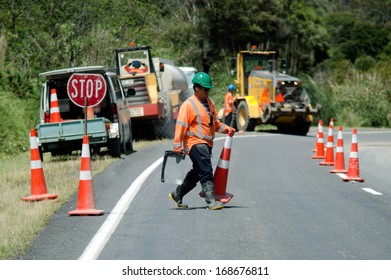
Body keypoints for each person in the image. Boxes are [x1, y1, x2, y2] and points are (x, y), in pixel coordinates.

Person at [169, 72, 235, 210]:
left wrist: (227, 129)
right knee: (206, 169)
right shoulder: (188, 105)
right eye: (205, 89)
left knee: (197, 172)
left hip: (207, 144)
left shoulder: (209, 103)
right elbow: (180, 126)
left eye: (208, 89)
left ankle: (177, 194)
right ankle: (211, 201)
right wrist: (177, 146)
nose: (207, 92)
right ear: (196, 88)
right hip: (194, 143)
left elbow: (214, 124)